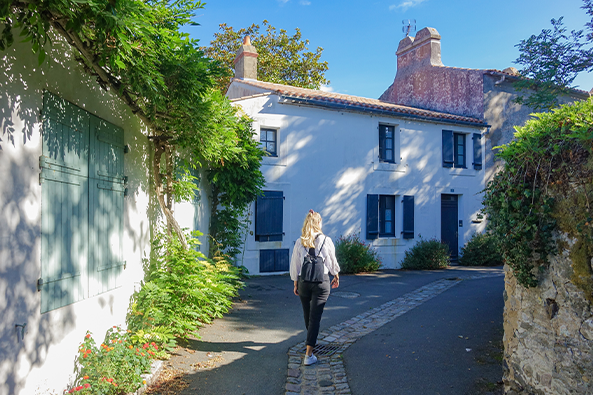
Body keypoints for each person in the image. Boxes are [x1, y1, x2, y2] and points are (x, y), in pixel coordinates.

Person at [290, 209, 340, 366]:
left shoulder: (300, 241)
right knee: (315, 318)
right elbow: (332, 262)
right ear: (318, 223)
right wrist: (336, 275)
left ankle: (310, 343)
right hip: (321, 282)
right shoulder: (326, 240)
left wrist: (295, 282)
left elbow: (295, 265)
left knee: (308, 317)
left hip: (304, 281)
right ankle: (309, 354)